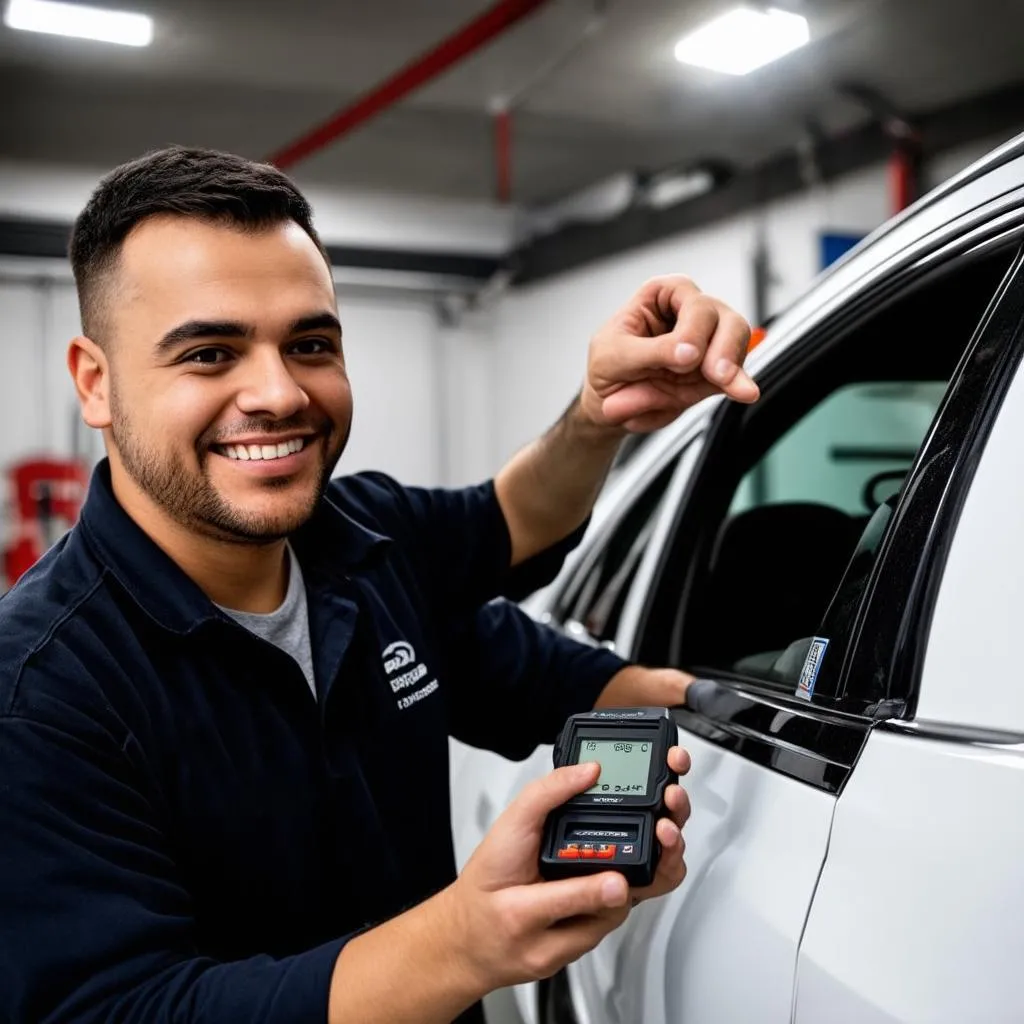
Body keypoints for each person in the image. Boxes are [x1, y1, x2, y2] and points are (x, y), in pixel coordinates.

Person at [0, 146, 759, 1024]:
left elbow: (522, 554)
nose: (279, 393)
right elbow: (120, 1011)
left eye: (310, 343)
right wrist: (464, 942)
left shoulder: (366, 549)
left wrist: (598, 418)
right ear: (96, 382)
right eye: (210, 354)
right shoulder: (39, 693)